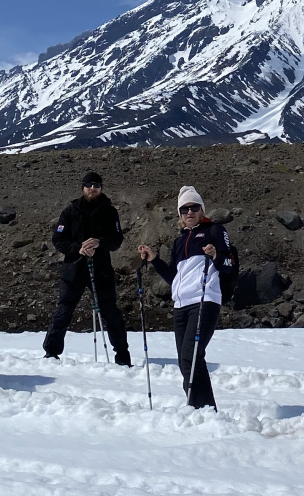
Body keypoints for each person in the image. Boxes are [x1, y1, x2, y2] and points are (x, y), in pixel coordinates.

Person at [138, 186, 237, 410]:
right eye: (184, 209)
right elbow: (174, 277)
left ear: (202, 210)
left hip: (205, 300)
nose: (189, 212)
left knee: (191, 356)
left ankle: (203, 409)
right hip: (181, 305)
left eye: (194, 207)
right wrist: (154, 259)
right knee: (186, 362)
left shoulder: (214, 231)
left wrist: (215, 255)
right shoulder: (179, 242)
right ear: (180, 215)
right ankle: (199, 407)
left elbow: (229, 264)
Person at [44, 171, 132, 364]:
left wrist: (99, 243)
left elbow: (116, 240)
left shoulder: (110, 211)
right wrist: (79, 248)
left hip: (101, 270)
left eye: (97, 185)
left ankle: (123, 356)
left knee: (110, 312)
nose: (93, 188)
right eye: (89, 185)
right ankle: (51, 352)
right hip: (74, 269)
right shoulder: (70, 212)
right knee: (64, 310)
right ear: (82, 187)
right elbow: (58, 240)